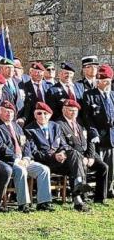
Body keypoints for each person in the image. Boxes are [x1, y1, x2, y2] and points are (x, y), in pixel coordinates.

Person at [24, 102, 90, 211]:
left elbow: (63, 144)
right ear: (35, 115)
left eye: (45, 113)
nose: (42, 116)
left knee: (74, 155)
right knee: (76, 163)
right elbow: (35, 153)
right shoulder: (29, 130)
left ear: (50, 115)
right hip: (44, 162)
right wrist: (54, 156)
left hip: (59, 160)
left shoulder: (55, 126)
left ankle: (77, 196)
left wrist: (62, 153)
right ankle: (78, 194)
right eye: (39, 113)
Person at [0, 101, 53, 212]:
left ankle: (43, 202)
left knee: (44, 169)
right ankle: (23, 204)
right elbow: (0, 146)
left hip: (23, 160)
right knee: (21, 171)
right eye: (6, 112)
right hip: (8, 161)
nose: (9, 114)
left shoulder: (17, 126)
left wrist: (27, 158)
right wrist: (16, 159)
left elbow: (26, 143)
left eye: (11, 112)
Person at [58, 99, 108, 204]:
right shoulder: (59, 124)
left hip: (87, 153)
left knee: (103, 167)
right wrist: (82, 158)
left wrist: (90, 156)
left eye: (75, 111)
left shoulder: (81, 121)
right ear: (63, 110)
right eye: (70, 110)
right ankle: (81, 197)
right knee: (80, 165)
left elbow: (90, 139)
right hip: (73, 156)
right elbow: (63, 145)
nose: (73, 113)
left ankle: (100, 198)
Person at [82, 65, 114, 197]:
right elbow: (87, 117)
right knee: (100, 165)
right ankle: (97, 192)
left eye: (108, 80)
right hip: (97, 136)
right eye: (102, 80)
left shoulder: (112, 95)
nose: (105, 83)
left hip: (111, 136)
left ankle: (109, 190)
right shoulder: (89, 95)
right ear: (98, 81)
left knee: (111, 166)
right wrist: (93, 132)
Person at [19, 62, 48, 126]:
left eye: (40, 72)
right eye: (35, 72)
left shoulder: (48, 86)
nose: (37, 74)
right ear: (30, 73)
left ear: (43, 73)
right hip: (31, 121)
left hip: (47, 119)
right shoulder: (24, 86)